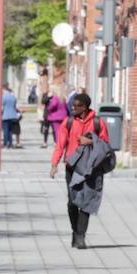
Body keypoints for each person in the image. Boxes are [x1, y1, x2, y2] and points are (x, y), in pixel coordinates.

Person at [49, 93, 110, 248]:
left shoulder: (98, 123)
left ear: (84, 107)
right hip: (72, 167)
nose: (72, 107)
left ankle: (81, 236)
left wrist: (89, 141)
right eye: (73, 105)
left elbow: (105, 146)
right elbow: (60, 145)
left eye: (76, 105)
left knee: (86, 202)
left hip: (90, 169)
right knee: (72, 202)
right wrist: (54, 164)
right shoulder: (68, 122)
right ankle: (75, 231)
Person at [0, 84, 20, 149]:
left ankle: (5, 143)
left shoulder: (3, 97)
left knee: (5, 130)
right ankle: (10, 143)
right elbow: (15, 106)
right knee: (10, 130)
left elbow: (2, 107)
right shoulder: (13, 97)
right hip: (13, 116)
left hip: (5, 116)